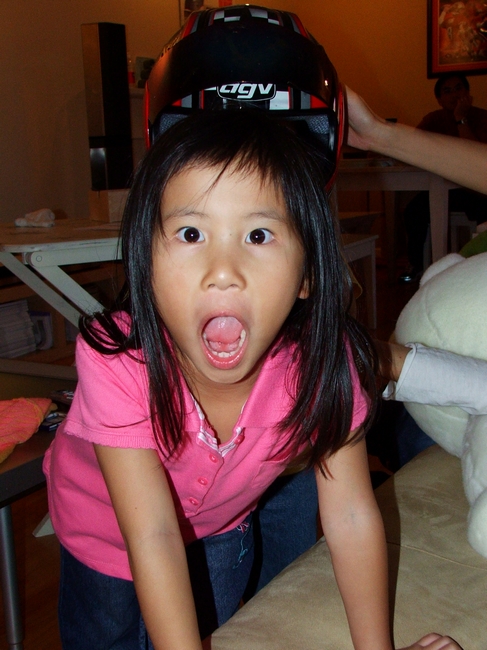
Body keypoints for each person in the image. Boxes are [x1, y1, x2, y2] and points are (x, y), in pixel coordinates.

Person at [43, 110, 460, 650]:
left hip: (218, 530)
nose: (223, 270)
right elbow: (153, 535)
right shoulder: (118, 361)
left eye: (258, 235)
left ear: (308, 274)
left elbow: (353, 515)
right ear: (145, 262)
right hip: (98, 536)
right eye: (191, 233)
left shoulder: (324, 365)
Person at [397, 73, 487, 282]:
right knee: (414, 210)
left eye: (458, 88)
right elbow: (413, 147)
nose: (454, 94)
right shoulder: (433, 120)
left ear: (467, 93)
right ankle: (416, 265)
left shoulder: (482, 117)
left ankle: (479, 268)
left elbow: (476, 158)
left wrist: (461, 119)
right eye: (447, 91)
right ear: (439, 99)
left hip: (475, 188)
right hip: (443, 186)